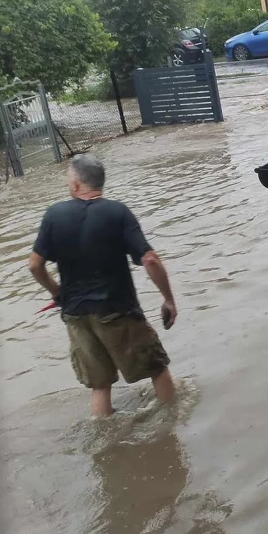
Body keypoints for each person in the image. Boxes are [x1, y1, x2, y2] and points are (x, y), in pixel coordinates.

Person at [29, 154, 178, 418]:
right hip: (116, 310)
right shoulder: (117, 212)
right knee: (157, 367)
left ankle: (106, 444)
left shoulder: (54, 215)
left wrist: (57, 292)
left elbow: (35, 266)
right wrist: (168, 299)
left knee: (100, 385)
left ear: (76, 184)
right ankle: (175, 422)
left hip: (75, 315)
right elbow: (150, 260)